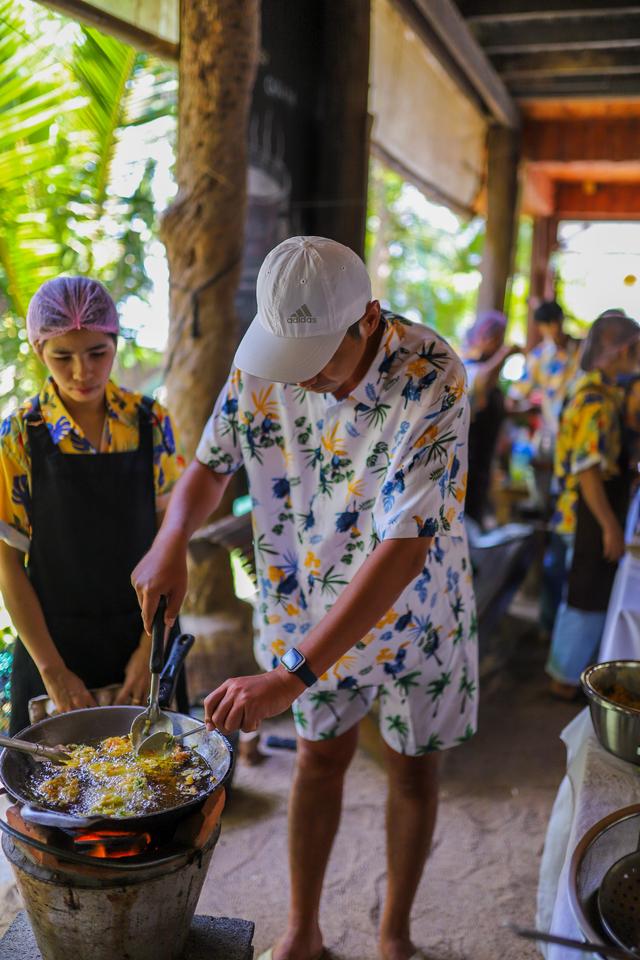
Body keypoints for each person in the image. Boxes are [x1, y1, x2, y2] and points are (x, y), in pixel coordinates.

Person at [132, 236, 478, 960]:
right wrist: (170, 540)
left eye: (319, 358)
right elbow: (212, 464)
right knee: (318, 760)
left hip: (414, 611)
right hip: (306, 597)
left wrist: (290, 676)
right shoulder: (268, 360)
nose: (304, 376)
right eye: (292, 359)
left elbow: (405, 548)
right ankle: (302, 933)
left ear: (368, 319)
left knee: (414, 767)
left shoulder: (432, 374)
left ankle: (394, 934)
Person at [0, 276, 183, 734]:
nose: (82, 372)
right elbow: (7, 566)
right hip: (53, 647)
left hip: (145, 638)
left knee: (159, 770)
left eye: (97, 353)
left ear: (115, 344)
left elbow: (172, 540)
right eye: (63, 357)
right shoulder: (18, 435)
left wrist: (150, 650)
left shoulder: (151, 422)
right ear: (39, 350)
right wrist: (53, 671)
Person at [547, 312, 640, 699]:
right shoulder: (594, 402)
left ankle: (572, 676)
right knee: (583, 598)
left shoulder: (602, 390)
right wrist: (610, 526)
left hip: (588, 513)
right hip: (585, 514)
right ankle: (564, 681)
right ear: (622, 350)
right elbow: (587, 473)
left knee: (583, 594)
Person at [462, 309, 519, 527]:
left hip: (485, 458)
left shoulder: (493, 376)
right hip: (469, 455)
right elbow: (479, 383)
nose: (496, 343)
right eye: (494, 337)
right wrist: (505, 354)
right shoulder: (469, 365)